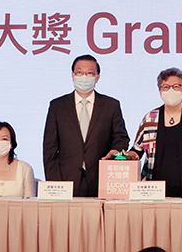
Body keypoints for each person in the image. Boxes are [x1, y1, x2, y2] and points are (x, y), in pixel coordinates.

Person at [43, 54, 130, 197]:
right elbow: (49, 148)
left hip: (101, 179)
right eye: (79, 72)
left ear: (97, 77)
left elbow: (121, 137)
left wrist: (115, 151)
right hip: (65, 180)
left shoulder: (111, 105)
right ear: (72, 75)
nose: (84, 76)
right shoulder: (57, 106)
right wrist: (54, 182)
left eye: (89, 73)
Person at [126, 67, 182, 198]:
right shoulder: (149, 119)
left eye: (176, 86)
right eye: (165, 87)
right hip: (152, 192)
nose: (171, 90)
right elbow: (136, 152)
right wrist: (122, 156)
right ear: (160, 91)